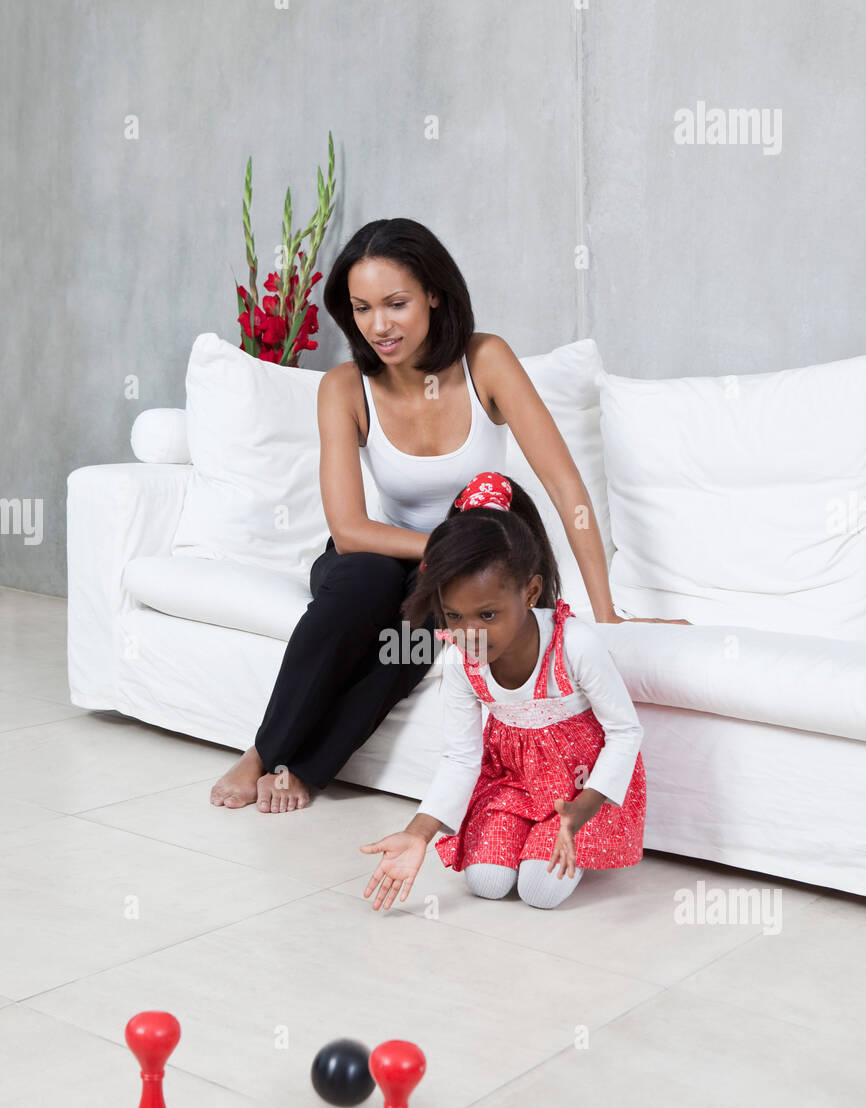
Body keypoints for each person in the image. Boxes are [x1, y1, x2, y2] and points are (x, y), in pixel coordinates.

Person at [210, 217, 684, 815]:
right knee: (370, 578)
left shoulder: (484, 359)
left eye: (396, 303)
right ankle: (261, 751)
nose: (378, 325)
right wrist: (443, 546)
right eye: (361, 308)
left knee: (412, 633)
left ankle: (302, 770)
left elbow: (567, 487)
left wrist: (607, 612)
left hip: (456, 578)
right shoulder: (343, 387)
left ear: (434, 293)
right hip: (376, 557)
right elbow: (350, 530)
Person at [360, 471, 646, 911]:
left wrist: (581, 810)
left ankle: (553, 833)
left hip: (580, 794)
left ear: (530, 592)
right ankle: (521, 833)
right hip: (513, 785)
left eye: (488, 615)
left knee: (540, 891)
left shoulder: (575, 645)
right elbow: (460, 756)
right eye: (454, 617)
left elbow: (626, 733)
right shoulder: (461, 660)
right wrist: (418, 832)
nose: (470, 634)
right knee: (487, 881)